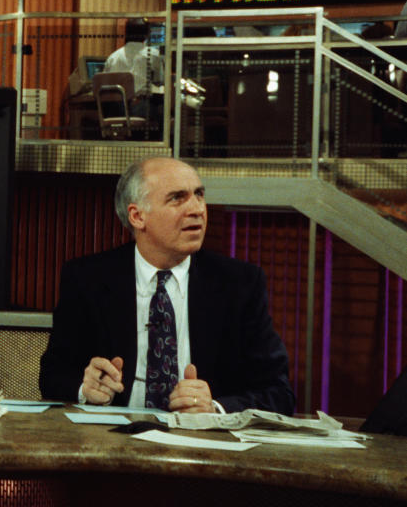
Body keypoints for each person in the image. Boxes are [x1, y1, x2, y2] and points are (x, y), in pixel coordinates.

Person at [38, 157, 295, 414]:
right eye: (177, 198)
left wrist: (215, 408)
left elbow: (278, 392)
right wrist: (86, 389)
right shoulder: (87, 279)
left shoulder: (239, 284)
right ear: (138, 216)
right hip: (112, 436)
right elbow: (52, 377)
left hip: (202, 442)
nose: (197, 209)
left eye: (199, 195)